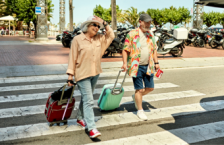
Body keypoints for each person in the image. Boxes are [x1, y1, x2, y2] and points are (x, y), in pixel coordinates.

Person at [66, 16, 115, 138]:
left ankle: (79, 118)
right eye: (94, 25)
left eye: (99, 26)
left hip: (95, 72)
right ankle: (92, 128)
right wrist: (70, 76)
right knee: (89, 100)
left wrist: (104, 23)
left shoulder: (99, 39)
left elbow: (111, 35)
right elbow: (72, 58)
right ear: (87, 26)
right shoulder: (77, 39)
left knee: (86, 97)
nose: (97, 28)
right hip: (82, 74)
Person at [121, 14, 160, 120]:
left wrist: (157, 63)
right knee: (139, 89)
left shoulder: (150, 34)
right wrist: (124, 63)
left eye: (149, 22)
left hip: (149, 66)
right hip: (136, 66)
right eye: (146, 22)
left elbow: (154, 50)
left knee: (150, 88)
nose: (148, 24)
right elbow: (125, 49)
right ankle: (140, 110)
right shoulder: (132, 34)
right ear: (140, 22)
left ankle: (136, 97)